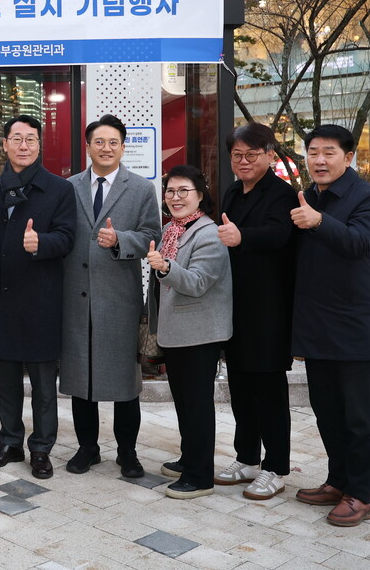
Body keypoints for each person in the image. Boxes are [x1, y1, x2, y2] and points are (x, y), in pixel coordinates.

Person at [290, 124, 370, 528]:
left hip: (354, 325)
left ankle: (361, 495)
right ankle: (337, 481)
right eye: (313, 152)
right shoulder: (308, 196)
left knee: (359, 417)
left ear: (348, 157)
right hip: (316, 324)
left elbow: (357, 243)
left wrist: (316, 221)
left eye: (329, 152)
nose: (319, 160)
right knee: (327, 411)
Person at [60, 115, 160, 478]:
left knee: (124, 382)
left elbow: (153, 233)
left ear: (122, 146)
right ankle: (87, 448)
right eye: (99, 142)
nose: (106, 148)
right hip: (76, 297)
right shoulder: (69, 187)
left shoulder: (141, 189)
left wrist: (121, 240)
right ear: (88, 147)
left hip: (119, 298)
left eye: (113, 142)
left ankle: (128, 452)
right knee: (82, 378)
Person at [0, 114, 75, 479]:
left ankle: (41, 448)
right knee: (4, 382)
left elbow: (68, 238)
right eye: (16, 138)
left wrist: (42, 243)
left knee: (43, 387)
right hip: (1, 302)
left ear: (39, 145)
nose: (23, 145)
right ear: (4, 145)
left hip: (41, 302)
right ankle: (9, 442)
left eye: (31, 139)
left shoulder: (59, 189)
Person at [215, 123, 298, 499]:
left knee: (269, 392)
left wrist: (243, 237)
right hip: (234, 307)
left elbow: (281, 234)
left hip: (268, 309)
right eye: (237, 155)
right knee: (241, 389)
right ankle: (247, 458)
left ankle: (277, 467)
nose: (244, 161)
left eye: (252, 154)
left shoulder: (283, 194)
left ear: (268, 154)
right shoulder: (232, 192)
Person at [146, 165, 232, 500]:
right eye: (170, 191)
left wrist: (166, 267)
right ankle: (189, 458)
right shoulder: (173, 229)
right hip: (177, 331)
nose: (176, 197)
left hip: (200, 334)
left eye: (184, 191)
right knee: (184, 402)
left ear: (200, 195)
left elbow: (197, 282)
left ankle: (200, 476)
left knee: (197, 405)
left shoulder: (209, 233)